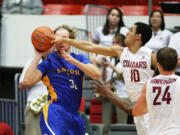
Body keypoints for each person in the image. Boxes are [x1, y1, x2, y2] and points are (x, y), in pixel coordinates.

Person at [48, 22, 157, 135]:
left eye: (131, 30)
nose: (127, 32)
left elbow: (167, 69)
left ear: (138, 36)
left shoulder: (150, 55)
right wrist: (67, 41)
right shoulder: (121, 51)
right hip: (135, 101)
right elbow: (92, 47)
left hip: (151, 102)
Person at [20, 25, 101, 135]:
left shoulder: (79, 58)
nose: (61, 41)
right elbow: (27, 81)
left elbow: (96, 74)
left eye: (64, 37)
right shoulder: (49, 60)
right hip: (55, 111)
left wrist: (74, 62)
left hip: (74, 113)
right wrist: (37, 55)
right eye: (58, 38)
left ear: (70, 40)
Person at [90, 47, 180, 135]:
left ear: (158, 64)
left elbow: (133, 111)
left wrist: (108, 93)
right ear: (176, 63)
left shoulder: (149, 84)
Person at [19, 47, 55, 135]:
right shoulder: (33, 62)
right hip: (35, 108)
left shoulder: (62, 62)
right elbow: (21, 85)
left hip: (56, 109)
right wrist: (41, 75)